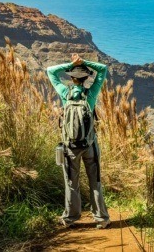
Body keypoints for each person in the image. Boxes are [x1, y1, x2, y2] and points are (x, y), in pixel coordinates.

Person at [47, 53, 110, 229]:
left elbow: (50, 71)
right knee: (95, 181)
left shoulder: (64, 93)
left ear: (72, 78)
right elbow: (103, 69)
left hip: (70, 147)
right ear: (85, 79)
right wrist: (84, 62)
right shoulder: (91, 94)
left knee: (71, 183)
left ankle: (70, 218)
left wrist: (71, 64)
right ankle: (101, 218)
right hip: (89, 145)